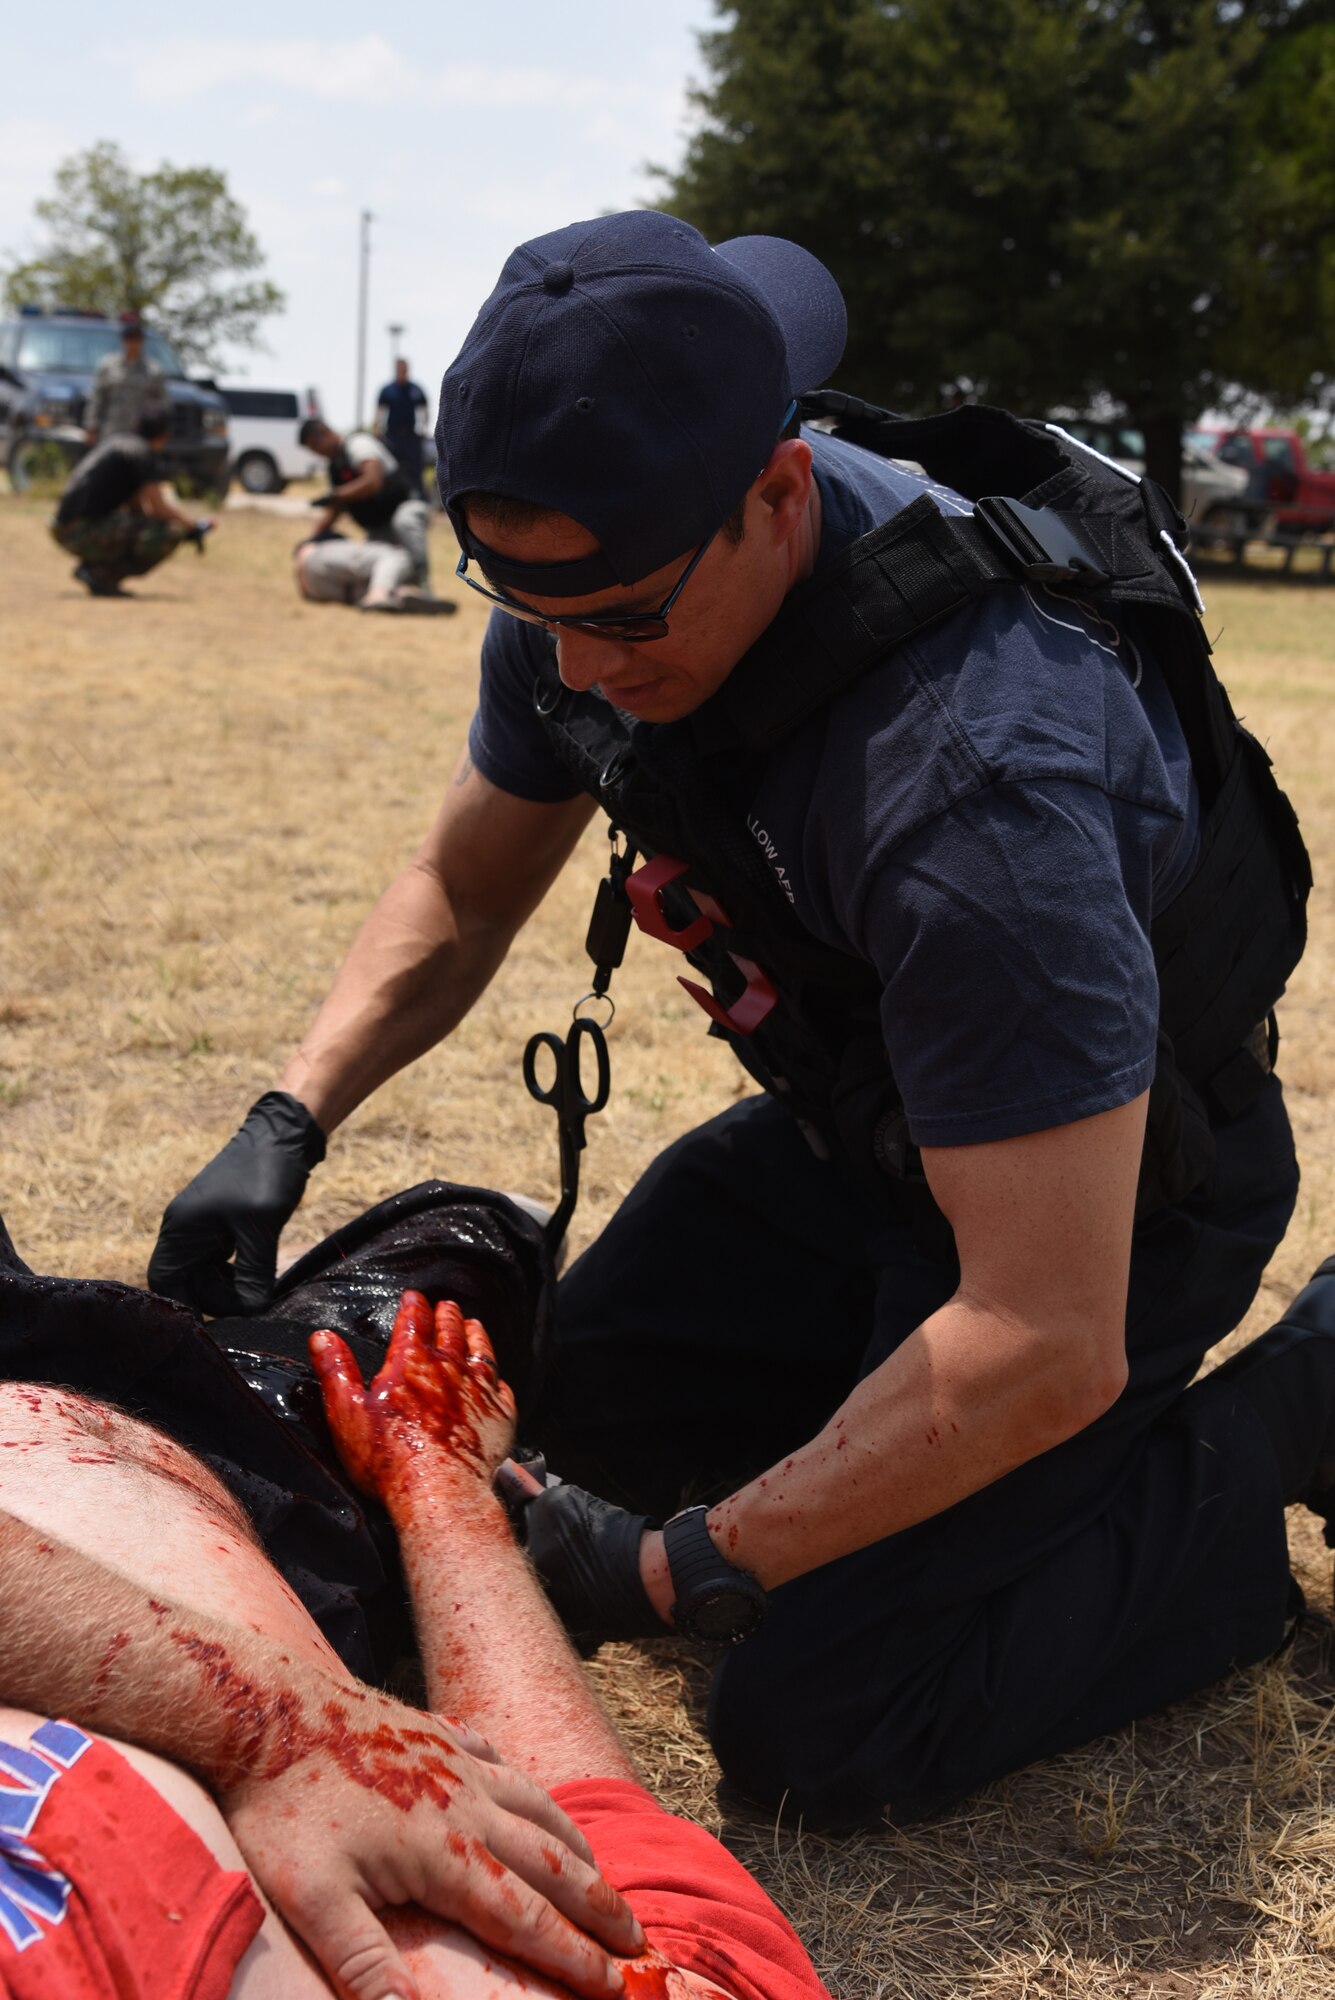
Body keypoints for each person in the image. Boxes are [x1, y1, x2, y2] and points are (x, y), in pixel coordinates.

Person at [149, 210, 1332, 1829]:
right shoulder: (611, 556)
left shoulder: (973, 783)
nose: (572, 663)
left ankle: (1290, 1414)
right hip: (867, 1139)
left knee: (828, 1722)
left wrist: (674, 1565)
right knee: (534, 1424)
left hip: (1104, 1209)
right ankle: (865, 1439)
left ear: (778, 496)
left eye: (625, 615)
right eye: (524, 599)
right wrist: (288, 1117)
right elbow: (469, 885)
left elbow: (1039, 1337)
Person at [0, 1290, 829, 2000]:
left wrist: (274, 1731)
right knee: (457, 1279)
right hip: (177, 1433)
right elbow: (580, 1832)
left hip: (123, 1413)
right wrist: (439, 1480)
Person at [51, 404, 213, 596]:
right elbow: (158, 508)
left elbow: (138, 507)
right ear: (165, 434)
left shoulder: (121, 442)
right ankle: (100, 574)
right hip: (78, 531)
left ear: (137, 425)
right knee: (170, 532)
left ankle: (96, 571)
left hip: (65, 527)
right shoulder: (141, 453)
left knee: (146, 527)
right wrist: (193, 526)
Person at [301, 417, 433, 592]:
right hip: (380, 525)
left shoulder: (358, 444)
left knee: (404, 522)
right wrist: (311, 540)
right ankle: (398, 592)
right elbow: (335, 508)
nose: (317, 452)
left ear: (325, 433)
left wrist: (337, 494)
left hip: (407, 506)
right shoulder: (335, 466)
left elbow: (372, 481)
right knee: (375, 561)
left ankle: (422, 585)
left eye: (315, 446)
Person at [294, 530, 455, 614]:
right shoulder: (325, 544)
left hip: (316, 590)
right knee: (397, 556)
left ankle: (400, 594)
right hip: (314, 557)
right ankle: (380, 594)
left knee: (370, 586)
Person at [83, 311, 167, 445]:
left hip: (141, 435)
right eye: (130, 339)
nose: (133, 344)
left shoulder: (153, 370)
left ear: (142, 342)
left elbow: (163, 405)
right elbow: (97, 398)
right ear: (123, 341)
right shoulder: (108, 366)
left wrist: (161, 432)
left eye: (136, 340)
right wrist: (91, 426)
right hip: (111, 431)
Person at [377, 358, 430, 494]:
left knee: (416, 469)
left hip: (411, 435)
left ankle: (418, 496)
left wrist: (424, 429)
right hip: (392, 436)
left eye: (404, 369)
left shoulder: (415, 389)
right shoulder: (388, 390)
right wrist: (377, 430)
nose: (402, 371)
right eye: (399, 369)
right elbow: (380, 411)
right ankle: (393, 496)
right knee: (391, 468)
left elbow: (424, 409)